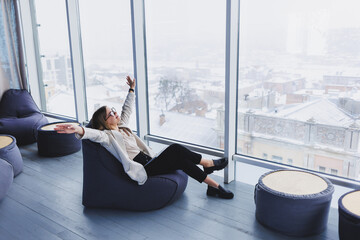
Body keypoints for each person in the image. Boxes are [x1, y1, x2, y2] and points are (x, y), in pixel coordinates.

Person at [55, 76, 234, 199]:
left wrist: (131, 89)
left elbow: (127, 109)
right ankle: (209, 164)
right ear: (104, 121)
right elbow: (94, 134)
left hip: (151, 161)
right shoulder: (107, 136)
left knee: (181, 161)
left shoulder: (122, 126)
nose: (116, 113)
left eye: (114, 111)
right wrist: (78, 129)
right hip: (143, 169)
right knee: (175, 149)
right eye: (111, 113)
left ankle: (213, 186)